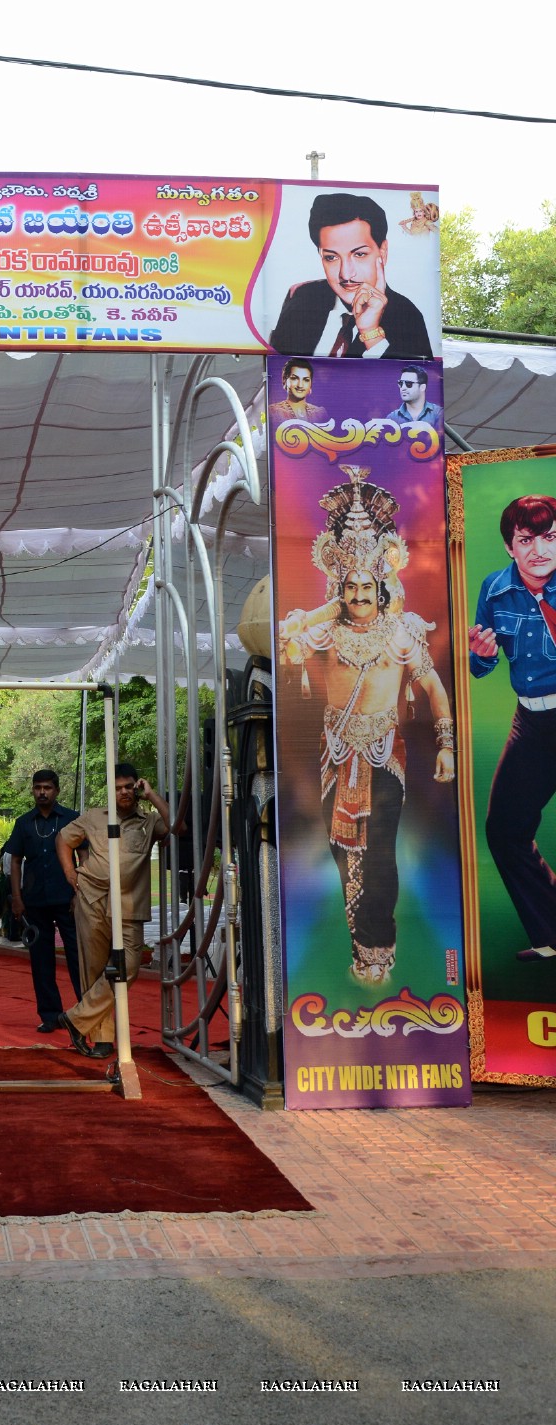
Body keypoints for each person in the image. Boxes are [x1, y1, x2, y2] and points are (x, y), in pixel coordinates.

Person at [279, 467, 455, 985]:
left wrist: (446, 745)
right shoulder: (327, 630)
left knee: (378, 849)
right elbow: (286, 636)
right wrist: (324, 608)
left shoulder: (402, 633)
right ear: (339, 588)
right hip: (336, 753)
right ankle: (360, 938)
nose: (358, 593)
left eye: (367, 585)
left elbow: (434, 688)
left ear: (383, 586)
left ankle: (379, 944)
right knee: (342, 848)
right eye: (349, 586)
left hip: (384, 753)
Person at [470, 495, 556, 961]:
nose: (539, 549)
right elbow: (479, 666)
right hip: (531, 719)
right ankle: (551, 933)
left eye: (550, 537)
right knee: (504, 830)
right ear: (510, 547)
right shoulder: (494, 590)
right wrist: (480, 657)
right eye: (526, 540)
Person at [55, 762, 171, 1056]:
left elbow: (177, 826)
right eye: (117, 787)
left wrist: (152, 794)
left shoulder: (149, 821)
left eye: (128, 786)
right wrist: (70, 874)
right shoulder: (94, 817)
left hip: (130, 903)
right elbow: (63, 839)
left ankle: (75, 1019)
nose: (123, 792)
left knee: (128, 967)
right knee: (94, 970)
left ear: (136, 787)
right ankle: (102, 1040)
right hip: (92, 897)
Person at [269, 192, 434, 361]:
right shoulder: (302, 295)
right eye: (331, 257)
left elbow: (416, 381)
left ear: (382, 252)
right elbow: (276, 366)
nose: (346, 274)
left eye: (360, 254)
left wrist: (370, 332)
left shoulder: (406, 316)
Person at [5, 769, 82, 1032]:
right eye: (38, 787)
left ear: (57, 790)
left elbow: (85, 857)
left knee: (77, 956)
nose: (42, 792)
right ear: (33, 790)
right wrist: (17, 897)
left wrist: (79, 894)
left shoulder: (72, 819)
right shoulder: (24, 823)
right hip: (34, 901)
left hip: (67, 898)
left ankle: (86, 1014)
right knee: (41, 959)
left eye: (47, 787)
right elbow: (15, 861)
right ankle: (50, 1015)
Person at [268, 358, 328, 426]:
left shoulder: (320, 413)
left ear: (311, 383)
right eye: (294, 378)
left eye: (306, 380)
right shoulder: (272, 412)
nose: (300, 385)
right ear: (284, 379)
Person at [384, 363, 441, 429]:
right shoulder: (392, 418)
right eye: (401, 383)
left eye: (409, 384)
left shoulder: (437, 413)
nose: (403, 388)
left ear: (422, 387)